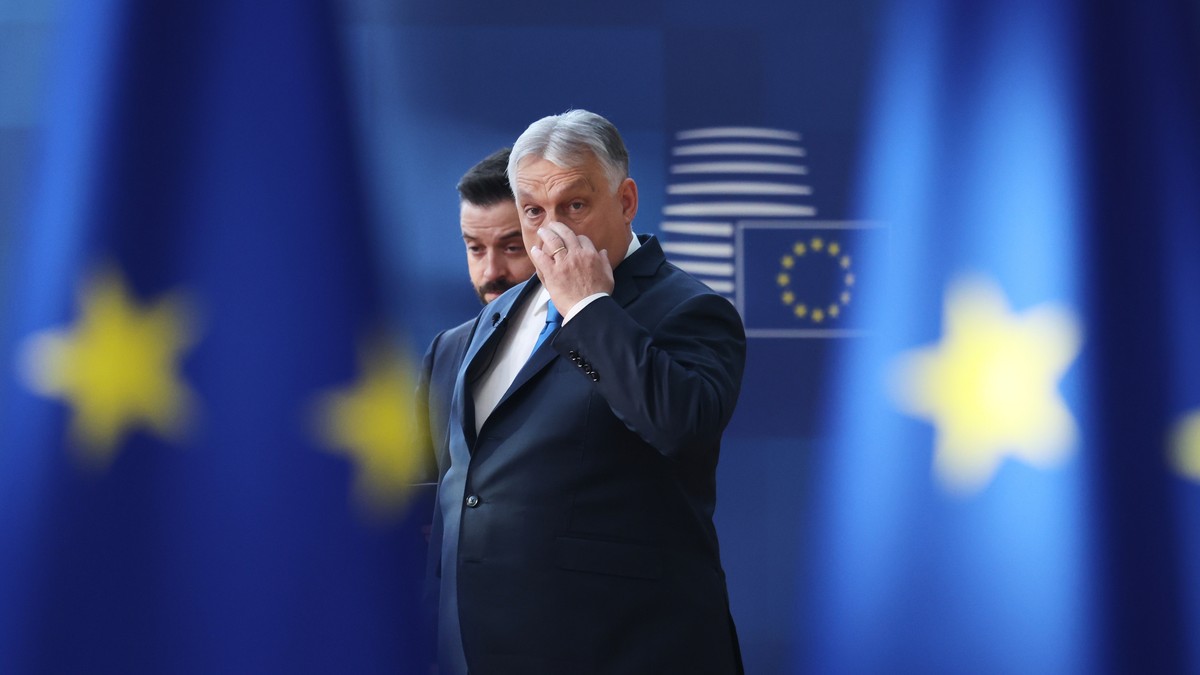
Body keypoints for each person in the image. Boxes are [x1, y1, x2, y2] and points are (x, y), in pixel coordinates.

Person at [434, 110, 746, 673]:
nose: (551, 230)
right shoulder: (488, 321)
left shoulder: (692, 309)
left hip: (623, 650)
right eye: (533, 211)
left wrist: (587, 307)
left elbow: (680, 426)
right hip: (481, 649)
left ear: (626, 201)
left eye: (574, 205)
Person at [417, 148, 535, 481]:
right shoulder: (445, 351)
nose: (491, 271)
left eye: (512, 247)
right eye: (475, 248)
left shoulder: (592, 339)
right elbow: (425, 485)